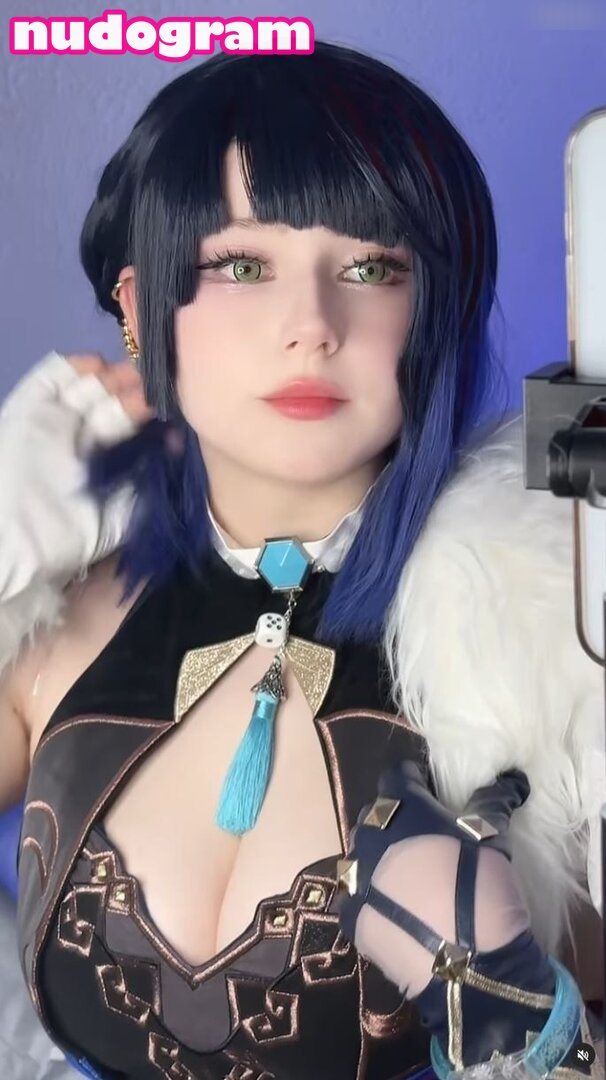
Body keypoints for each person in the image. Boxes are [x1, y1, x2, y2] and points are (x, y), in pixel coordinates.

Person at [0, 40, 603, 1080]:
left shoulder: (543, 656)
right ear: (139, 309)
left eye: (372, 268)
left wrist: (519, 1015)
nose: (312, 326)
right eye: (241, 265)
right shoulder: (56, 628)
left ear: (436, 308)